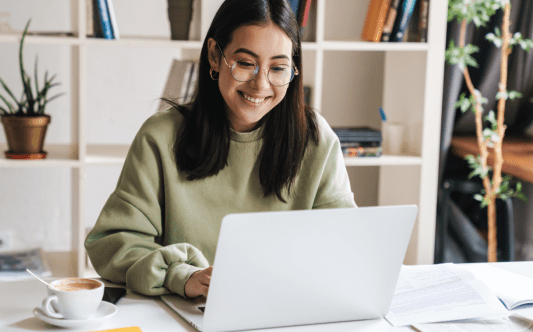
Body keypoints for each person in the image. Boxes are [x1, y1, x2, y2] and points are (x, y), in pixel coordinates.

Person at [85, 0, 356, 299]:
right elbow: (112, 243)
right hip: (187, 311)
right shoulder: (161, 137)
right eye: (245, 63)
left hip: (287, 307)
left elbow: (345, 246)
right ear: (215, 55)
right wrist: (181, 275)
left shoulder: (316, 139)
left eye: (278, 68)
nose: (260, 85)